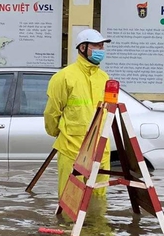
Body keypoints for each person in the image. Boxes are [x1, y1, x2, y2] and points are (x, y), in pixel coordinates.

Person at [43, 29, 112, 199]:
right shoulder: (63, 77)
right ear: (82, 48)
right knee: (70, 199)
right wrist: (58, 134)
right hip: (72, 148)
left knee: (98, 199)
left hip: (100, 151)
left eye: (102, 45)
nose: (101, 49)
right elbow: (52, 112)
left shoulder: (104, 78)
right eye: (96, 45)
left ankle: (96, 227)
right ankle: (67, 226)